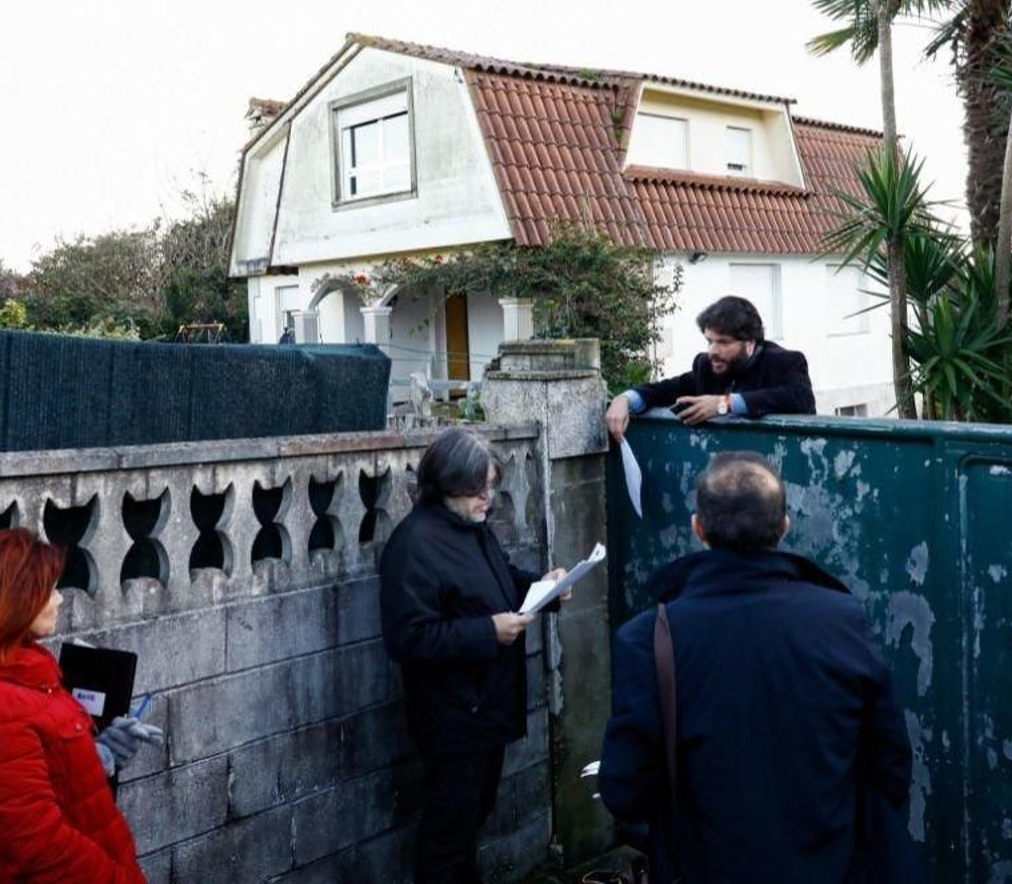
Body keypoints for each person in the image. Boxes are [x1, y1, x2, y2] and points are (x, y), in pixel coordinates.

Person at [598, 453, 914, 883]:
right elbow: (890, 763)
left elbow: (625, 789)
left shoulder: (649, 639)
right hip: (832, 864)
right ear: (784, 526)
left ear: (698, 528)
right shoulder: (842, 618)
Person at [0, 527, 162, 884]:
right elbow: (38, 846)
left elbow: (31, 775)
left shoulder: (19, 669)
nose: (60, 599)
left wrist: (99, 755)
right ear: (15, 599)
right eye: (49, 589)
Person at [379, 428, 570, 884]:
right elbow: (408, 638)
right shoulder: (414, 545)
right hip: (453, 717)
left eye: (491, 485)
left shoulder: (472, 527)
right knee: (448, 835)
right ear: (447, 484)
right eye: (478, 488)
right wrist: (487, 632)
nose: (489, 497)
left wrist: (545, 589)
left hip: (486, 709)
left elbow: (501, 580)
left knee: (471, 820)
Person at [604, 295, 815, 441]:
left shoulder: (784, 362)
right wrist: (624, 400)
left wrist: (723, 404)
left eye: (723, 342)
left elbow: (798, 397)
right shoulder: (706, 366)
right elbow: (664, 390)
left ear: (750, 343)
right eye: (709, 341)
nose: (713, 350)